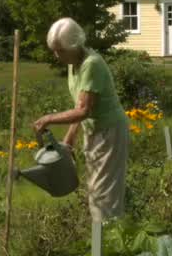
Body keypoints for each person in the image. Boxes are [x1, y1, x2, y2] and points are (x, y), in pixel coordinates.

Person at [33, 18, 129, 223]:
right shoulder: (73, 64)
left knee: (103, 195)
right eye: (54, 50)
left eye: (60, 50)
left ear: (74, 45)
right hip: (94, 131)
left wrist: (49, 119)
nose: (56, 55)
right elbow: (81, 108)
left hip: (109, 132)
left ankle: (108, 243)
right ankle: (104, 241)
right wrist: (68, 140)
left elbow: (84, 110)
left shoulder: (91, 64)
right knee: (97, 190)